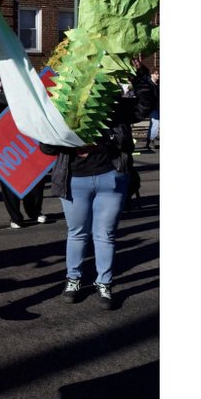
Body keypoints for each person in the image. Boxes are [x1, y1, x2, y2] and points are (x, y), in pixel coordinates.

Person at [38, 93, 130, 310]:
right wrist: (67, 138)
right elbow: (47, 148)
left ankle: (104, 282)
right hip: (75, 180)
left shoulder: (110, 102)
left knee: (105, 234)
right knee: (77, 232)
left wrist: (102, 138)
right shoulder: (62, 105)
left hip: (110, 177)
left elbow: (126, 138)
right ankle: (73, 279)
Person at [0, 89, 47, 228]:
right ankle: (16, 217)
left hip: (27, 144)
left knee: (35, 178)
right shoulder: (2, 103)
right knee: (9, 180)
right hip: (8, 150)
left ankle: (33, 211)